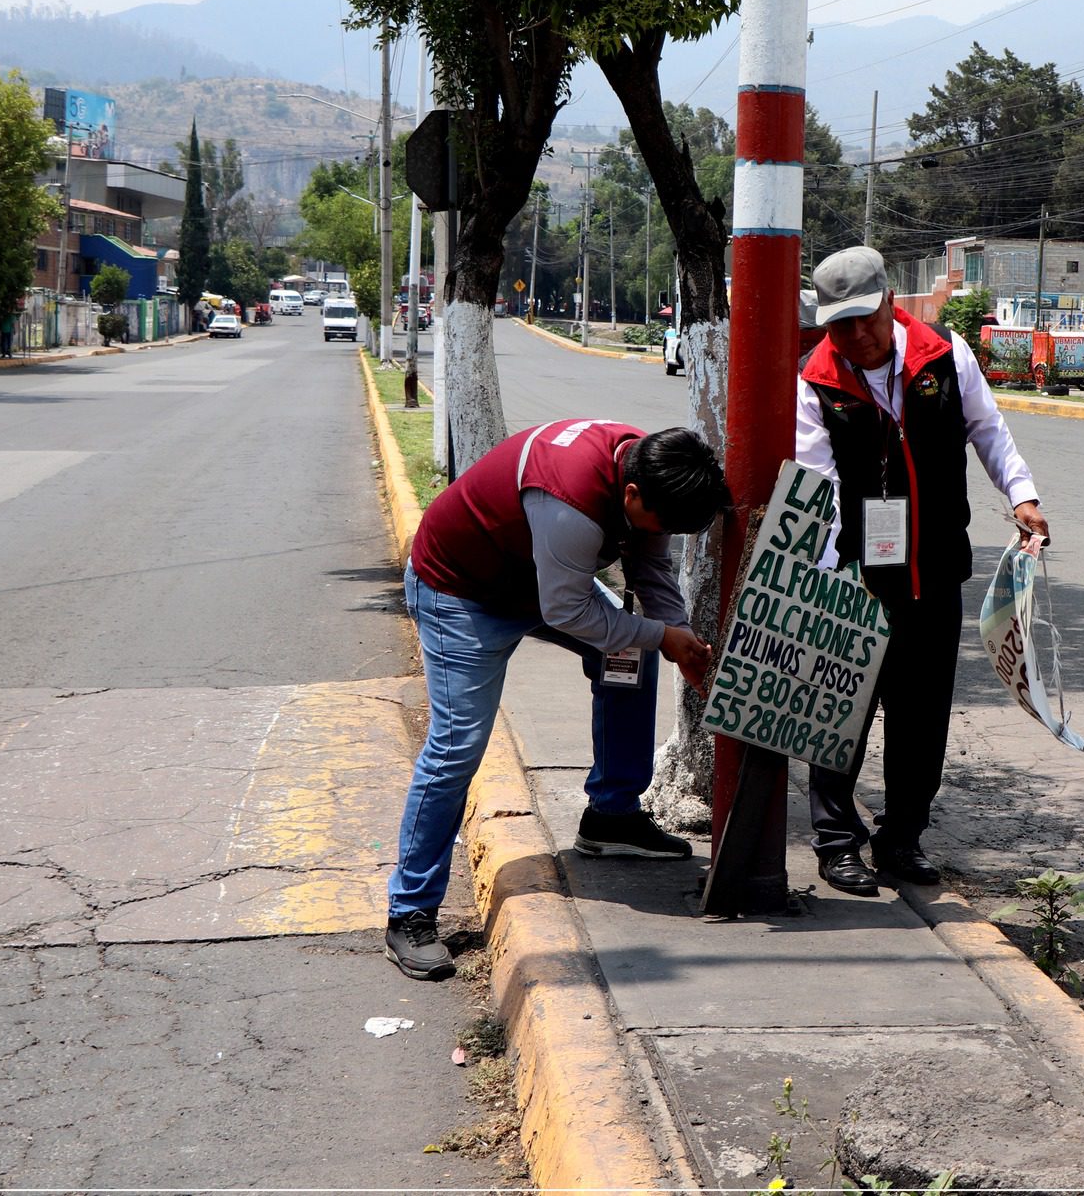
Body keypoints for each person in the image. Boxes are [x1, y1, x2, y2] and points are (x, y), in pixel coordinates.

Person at [385, 421, 731, 979]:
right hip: (461, 592)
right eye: (658, 523)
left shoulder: (652, 466)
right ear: (631, 495)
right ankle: (410, 911)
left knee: (629, 661)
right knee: (456, 750)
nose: (658, 532)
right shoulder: (570, 499)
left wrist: (677, 631)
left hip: (541, 581)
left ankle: (612, 816)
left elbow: (651, 565)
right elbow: (567, 612)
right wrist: (660, 635)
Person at [795, 246, 1049, 896]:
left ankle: (902, 836)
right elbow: (817, 486)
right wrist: (828, 580)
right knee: (840, 710)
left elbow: (989, 430)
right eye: (838, 325)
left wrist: (1021, 495)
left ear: (888, 303)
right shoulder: (817, 381)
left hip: (933, 567)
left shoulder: (944, 354)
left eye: (863, 319)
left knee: (922, 711)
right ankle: (834, 841)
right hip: (855, 575)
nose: (853, 336)